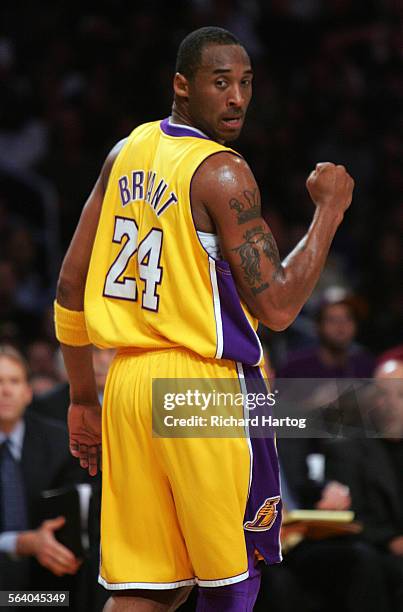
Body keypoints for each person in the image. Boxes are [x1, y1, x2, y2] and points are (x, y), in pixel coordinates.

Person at [54, 27, 354, 611]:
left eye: (245, 83)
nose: (237, 98)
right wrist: (329, 212)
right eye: (221, 83)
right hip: (200, 386)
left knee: (149, 592)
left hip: (127, 384)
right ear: (181, 86)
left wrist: (82, 398)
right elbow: (280, 306)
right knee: (230, 584)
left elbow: (70, 285)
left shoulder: (126, 152)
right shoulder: (222, 172)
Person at [0, 345, 83, 595]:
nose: (5, 391)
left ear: (28, 392)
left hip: (45, 585)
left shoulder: (59, 442)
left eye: (14, 381)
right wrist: (22, 543)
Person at [326, 353, 403, 609]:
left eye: (400, 395)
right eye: (384, 394)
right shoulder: (348, 449)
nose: (391, 403)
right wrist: (391, 540)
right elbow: (352, 514)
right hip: (378, 547)